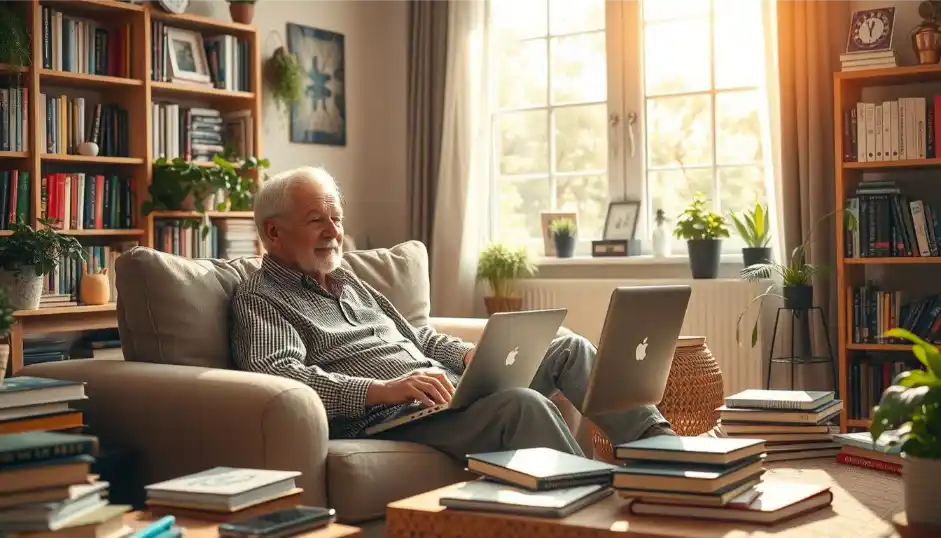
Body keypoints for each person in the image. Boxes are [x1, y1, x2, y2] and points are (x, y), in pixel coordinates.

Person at [231, 166, 675, 461]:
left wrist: (468, 356)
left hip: (445, 394)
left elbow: (420, 339)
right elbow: (285, 375)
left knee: (567, 348)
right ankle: (592, 517)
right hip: (387, 419)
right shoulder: (261, 298)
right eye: (316, 221)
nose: (334, 232)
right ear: (273, 232)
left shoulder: (349, 280)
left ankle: (662, 454)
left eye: (338, 219)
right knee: (519, 405)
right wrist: (383, 390)